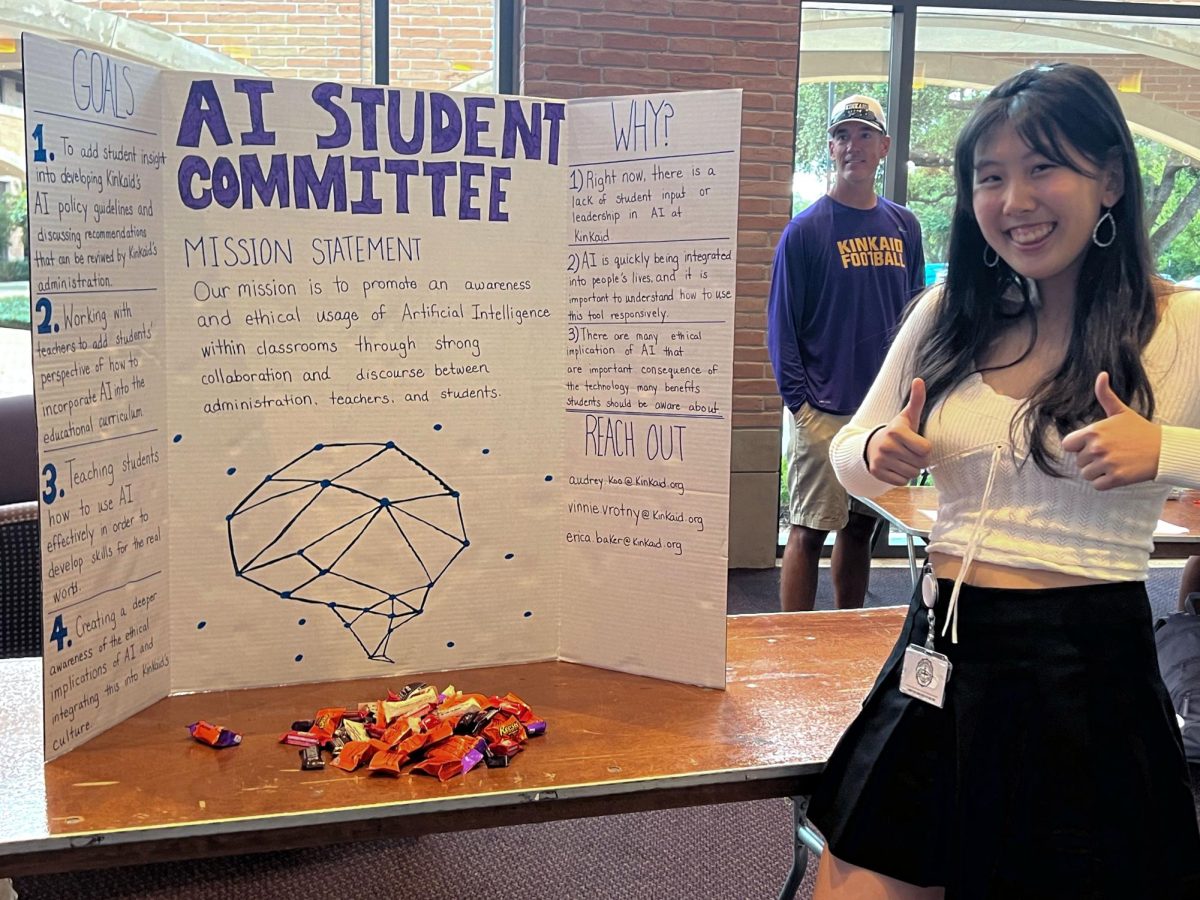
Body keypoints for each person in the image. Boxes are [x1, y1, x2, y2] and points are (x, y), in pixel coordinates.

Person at [809, 63, 1200, 899]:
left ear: (1110, 179)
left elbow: (1175, 452)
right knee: (856, 880)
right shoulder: (948, 313)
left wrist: (1164, 450)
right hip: (940, 641)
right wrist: (880, 452)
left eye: (1042, 167)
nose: (1014, 201)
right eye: (991, 177)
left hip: (1087, 661)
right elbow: (849, 448)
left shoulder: (1180, 325)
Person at [767, 94, 925, 612]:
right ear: (830, 149)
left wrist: (907, 401)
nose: (851, 146)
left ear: (882, 148)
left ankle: (848, 632)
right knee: (809, 532)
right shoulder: (805, 231)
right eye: (841, 136)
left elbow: (915, 318)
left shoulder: (905, 227)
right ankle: (792, 647)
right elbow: (781, 328)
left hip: (880, 411)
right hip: (824, 412)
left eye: (863, 136)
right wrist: (802, 408)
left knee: (860, 531)